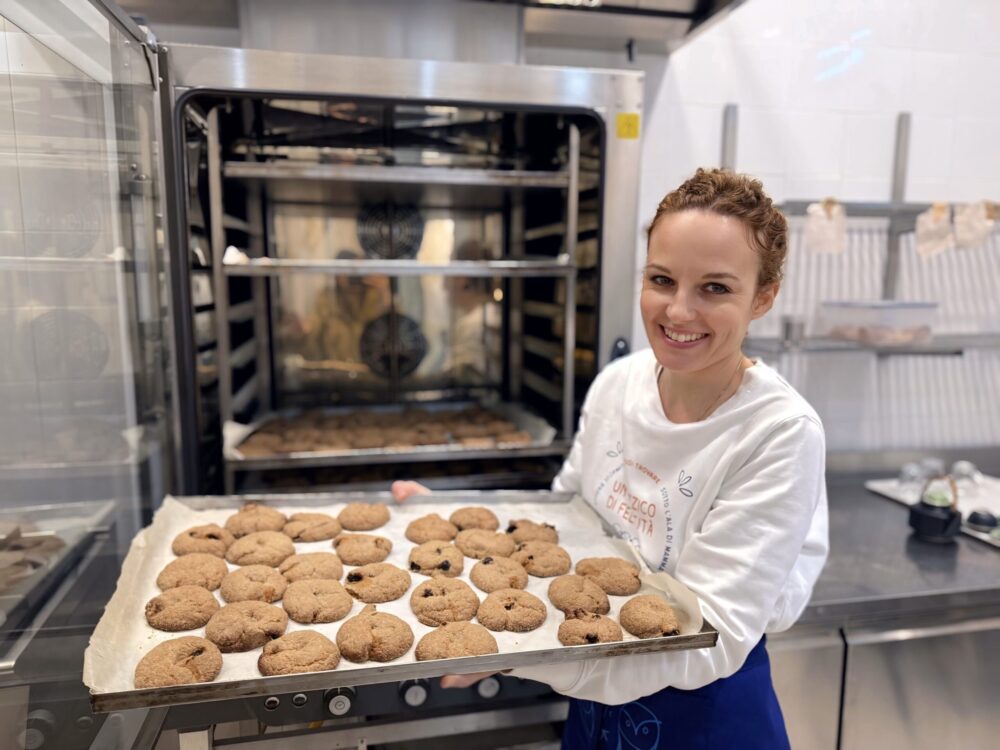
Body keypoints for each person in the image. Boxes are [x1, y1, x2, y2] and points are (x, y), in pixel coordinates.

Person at [392, 168, 828, 749]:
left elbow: (711, 638)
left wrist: (511, 654)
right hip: (594, 702)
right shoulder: (618, 384)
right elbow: (567, 521)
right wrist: (463, 524)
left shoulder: (778, 434)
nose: (678, 311)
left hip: (706, 714)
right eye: (662, 279)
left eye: (715, 288)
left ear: (763, 297)